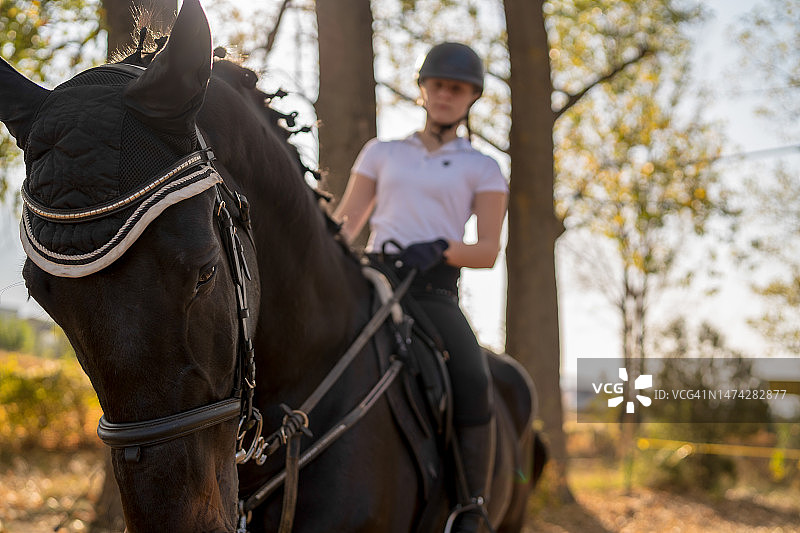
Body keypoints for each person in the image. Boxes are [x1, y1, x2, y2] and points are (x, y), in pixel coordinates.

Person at [334, 42, 508, 533]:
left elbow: (488, 251)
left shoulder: (483, 167)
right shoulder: (382, 152)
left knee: (473, 376)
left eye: (457, 88)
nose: (446, 94)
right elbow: (345, 225)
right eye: (438, 85)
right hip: (374, 279)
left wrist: (441, 248)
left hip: (434, 290)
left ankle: (470, 506)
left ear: (472, 97)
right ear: (423, 90)